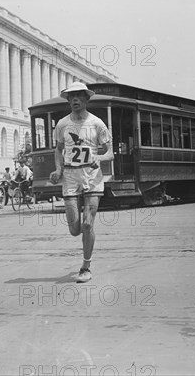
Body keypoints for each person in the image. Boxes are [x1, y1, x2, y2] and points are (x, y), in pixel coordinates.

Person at [49, 82, 114, 284]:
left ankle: (85, 267)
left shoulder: (97, 124)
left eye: (79, 96)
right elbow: (58, 150)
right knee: (74, 229)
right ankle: (82, 242)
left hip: (92, 177)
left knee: (87, 224)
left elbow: (110, 153)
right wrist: (58, 169)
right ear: (68, 100)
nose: (75, 99)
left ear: (86, 99)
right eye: (71, 96)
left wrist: (99, 158)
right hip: (70, 176)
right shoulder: (62, 124)